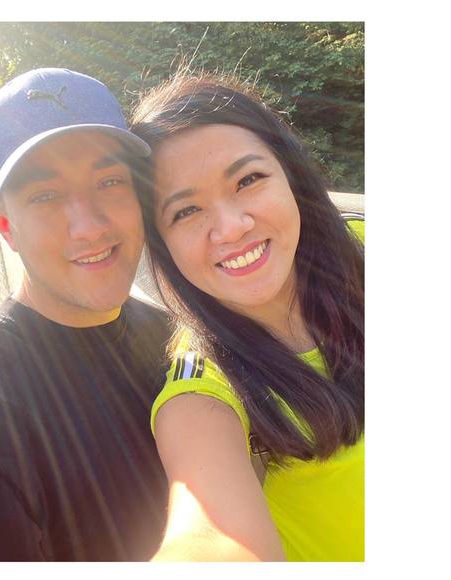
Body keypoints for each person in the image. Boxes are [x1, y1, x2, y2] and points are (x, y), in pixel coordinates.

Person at [130, 72, 365, 562]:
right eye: (186, 211)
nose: (231, 228)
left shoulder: (365, 249)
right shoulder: (203, 390)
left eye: (248, 180)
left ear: (290, 175)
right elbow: (206, 538)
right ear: (164, 246)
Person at [0, 68, 172, 561]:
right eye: (46, 195)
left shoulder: (179, 340)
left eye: (109, 181)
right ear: (4, 225)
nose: (89, 226)